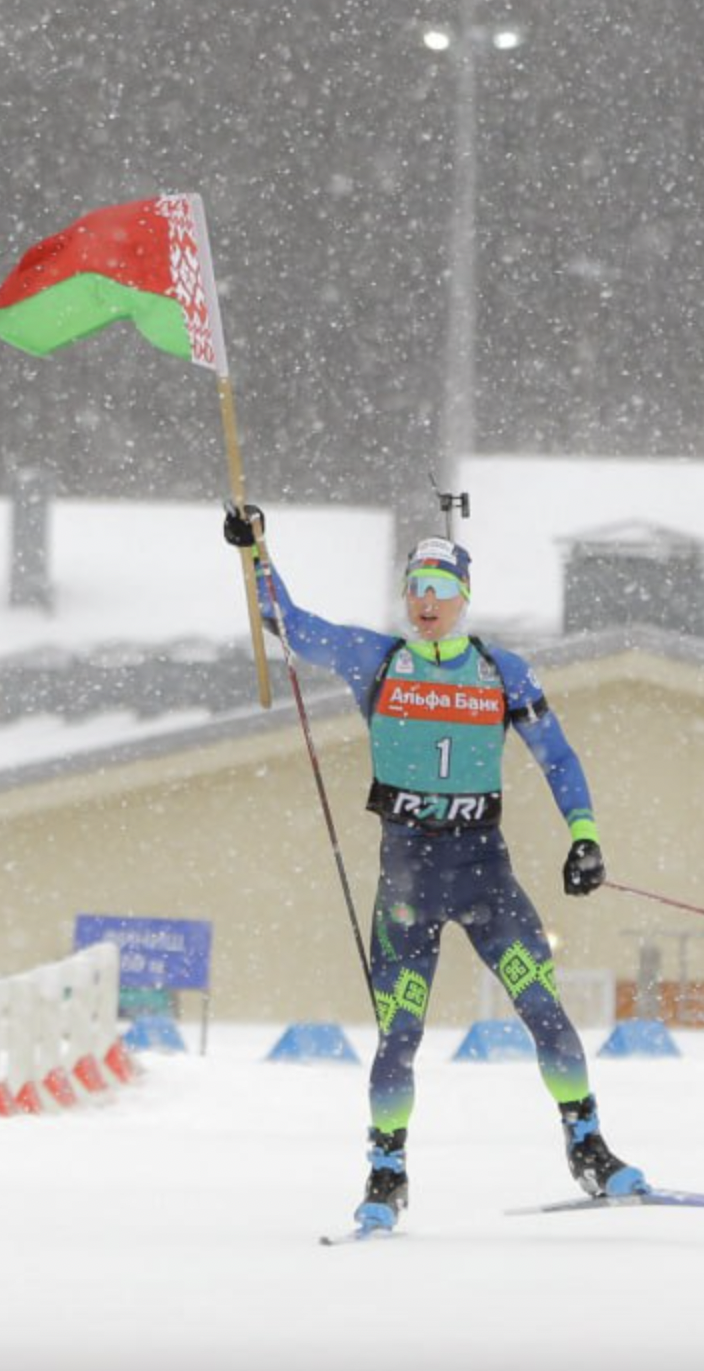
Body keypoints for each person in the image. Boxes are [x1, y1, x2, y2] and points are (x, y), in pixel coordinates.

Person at [224, 505, 648, 1235]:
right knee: (401, 1032)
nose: (424, 602)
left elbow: (558, 756)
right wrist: (256, 550)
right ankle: (386, 1172)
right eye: (414, 586)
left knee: (543, 1009)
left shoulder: (501, 671)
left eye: (438, 588)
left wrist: (585, 837)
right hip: (409, 877)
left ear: (463, 598)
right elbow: (289, 623)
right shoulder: (378, 659)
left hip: (484, 871)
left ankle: (590, 1147)